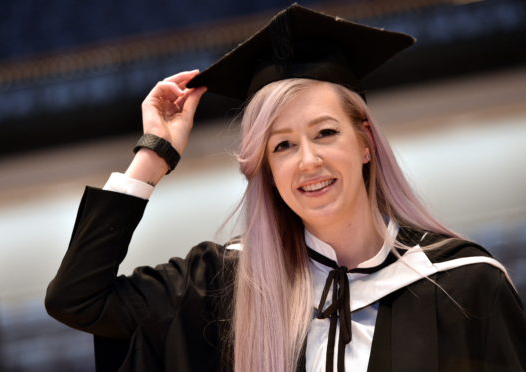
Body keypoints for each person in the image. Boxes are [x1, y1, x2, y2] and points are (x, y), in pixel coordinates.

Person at [45, 4, 526, 372]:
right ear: (266, 169)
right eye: (282, 146)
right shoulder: (221, 284)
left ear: (365, 142)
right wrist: (155, 152)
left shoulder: (465, 284)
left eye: (326, 133)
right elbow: (76, 299)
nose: (308, 160)